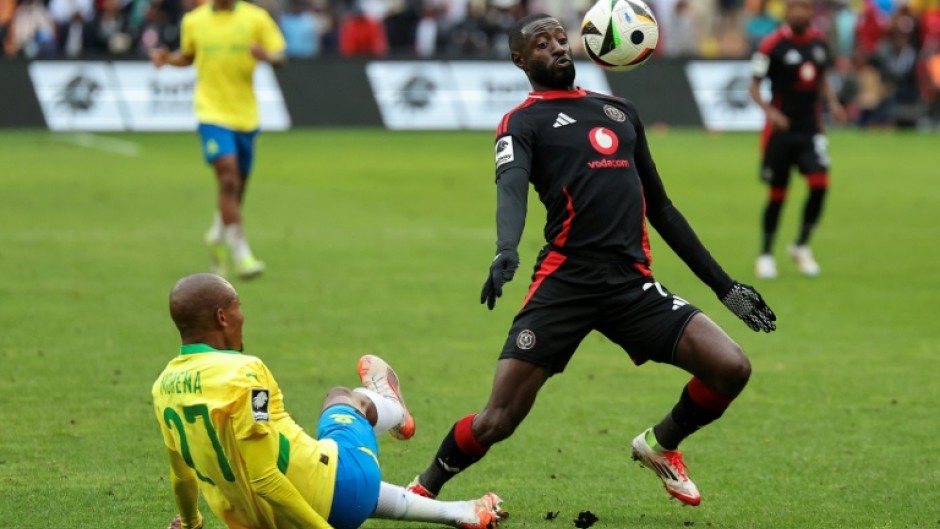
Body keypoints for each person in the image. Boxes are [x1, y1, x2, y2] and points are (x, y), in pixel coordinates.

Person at [404, 14, 776, 508]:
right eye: (542, 44)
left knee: (731, 367)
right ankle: (423, 488)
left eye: (561, 39)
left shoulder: (619, 111)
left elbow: (660, 207)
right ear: (520, 60)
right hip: (566, 284)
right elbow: (511, 187)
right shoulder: (522, 122)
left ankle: (660, 445)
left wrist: (725, 286)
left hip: (630, 286)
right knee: (498, 419)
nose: (558, 48)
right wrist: (506, 248)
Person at [153, 273, 508, 529]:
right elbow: (264, 479)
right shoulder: (246, 375)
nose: (242, 315)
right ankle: (391, 405)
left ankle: (459, 511)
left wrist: (190, 522)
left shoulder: (163, 387)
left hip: (266, 519)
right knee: (339, 400)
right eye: (238, 307)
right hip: (329, 497)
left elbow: (181, 476)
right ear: (222, 317)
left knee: (330, 459)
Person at [150, 0, 284, 280]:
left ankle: (216, 235)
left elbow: (280, 55)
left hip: (246, 116)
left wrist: (267, 57)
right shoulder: (194, 21)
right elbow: (188, 56)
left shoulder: (256, 18)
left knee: (238, 187)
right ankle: (242, 255)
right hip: (211, 112)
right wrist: (168, 60)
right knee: (227, 178)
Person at [749, 0, 846, 279]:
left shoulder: (819, 42)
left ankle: (801, 246)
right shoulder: (771, 45)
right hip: (780, 133)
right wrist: (771, 113)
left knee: (820, 184)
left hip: (810, 130)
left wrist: (834, 104)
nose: (799, 13)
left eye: (805, 7)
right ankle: (766, 254)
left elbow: (822, 77)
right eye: (794, 7)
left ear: (811, 12)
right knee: (778, 194)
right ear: (787, 12)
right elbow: (753, 85)